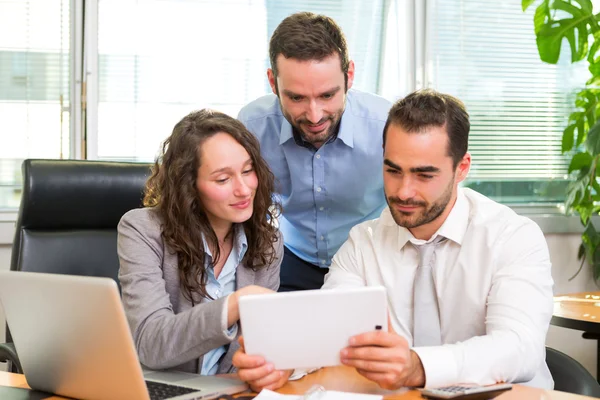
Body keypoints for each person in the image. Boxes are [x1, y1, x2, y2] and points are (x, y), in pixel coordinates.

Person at [232, 89, 554, 390]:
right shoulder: (364, 243)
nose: (403, 191)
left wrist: (418, 366)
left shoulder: (512, 238)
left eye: (424, 175)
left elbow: (518, 347)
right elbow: (327, 331)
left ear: (461, 168)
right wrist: (286, 361)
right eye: (393, 170)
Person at [117, 109, 283, 375]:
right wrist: (235, 304)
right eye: (223, 179)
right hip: (163, 389)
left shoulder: (268, 242)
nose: (243, 189)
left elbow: (260, 345)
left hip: (230, 392)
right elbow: (150, 344)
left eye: (248, 170)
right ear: (189, 186)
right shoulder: (142, 230)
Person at [238, 12, 392, 291]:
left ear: (350, 76)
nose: (314, 115)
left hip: (369, 260)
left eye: (327, 95)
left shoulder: (388, 127)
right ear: (273, 83)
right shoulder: (250, 127)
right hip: (288, 258)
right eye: (296, 97)